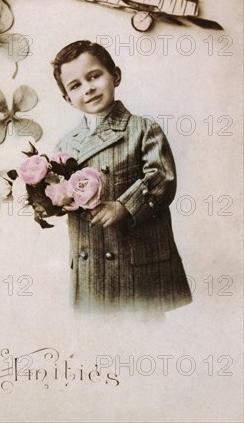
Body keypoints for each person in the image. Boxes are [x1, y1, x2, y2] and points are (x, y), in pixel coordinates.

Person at [51, 39, 192, 314]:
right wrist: (55, 200)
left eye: (94, 76)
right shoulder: (65, 144)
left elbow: (163, 178)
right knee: (100, 338)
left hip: (135, 261)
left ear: (115, 75)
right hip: (90, 261)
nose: (88, 88)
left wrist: (125, 206)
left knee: (145, 334)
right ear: (68, 99)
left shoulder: (142, 129)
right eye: (76, 85)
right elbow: (57, 189)